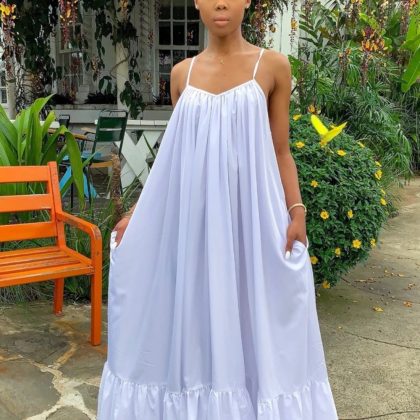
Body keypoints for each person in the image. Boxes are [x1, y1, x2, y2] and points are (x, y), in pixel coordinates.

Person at [97, 1, 339, 419]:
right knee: (198, 320)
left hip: (253, 221)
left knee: (255, 317)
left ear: (248, 1)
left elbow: (281, 150)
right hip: (196, 224)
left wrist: (297, 211)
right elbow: (175, 158)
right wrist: (138, 213)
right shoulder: (182, 75)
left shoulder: (273, 66)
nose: (221, 3)